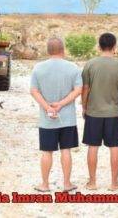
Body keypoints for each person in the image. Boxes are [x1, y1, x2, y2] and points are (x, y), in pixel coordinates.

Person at [30, 37, 82, 192]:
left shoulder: (38, 68)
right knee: (66, 150)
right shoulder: (73, 68)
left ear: (48, 50)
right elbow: (78, 89)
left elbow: (34, 91)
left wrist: (48, 107)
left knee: (47, 152)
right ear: (63, 50)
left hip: (47, 119)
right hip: (67, 119)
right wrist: (61, 104)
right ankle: (67, 184)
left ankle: (45, 184)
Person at [82, 33, 118, 190]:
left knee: (92, 146)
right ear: (115, 47)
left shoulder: (90, 65)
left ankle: (92, 182)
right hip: (113, 113)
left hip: (94, 112)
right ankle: (114, 183)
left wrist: (84, 106)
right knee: (115, 147)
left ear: (99, 46)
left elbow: (85, 89)